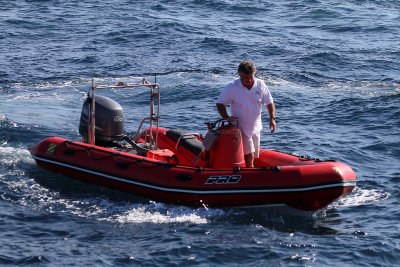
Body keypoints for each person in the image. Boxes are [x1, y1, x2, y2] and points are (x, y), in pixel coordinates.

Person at [216, 60, 276, 168]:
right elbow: (220, 103)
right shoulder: (232, 87)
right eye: (245, 77)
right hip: (241, 129)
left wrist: (272, 118)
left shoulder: (260, 84)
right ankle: (251, 178)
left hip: (256, 128)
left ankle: (247, 171)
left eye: (250, 77)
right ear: (240, 76)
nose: (248, 80)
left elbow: (269, 102)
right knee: (250, 158)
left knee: (254, 156)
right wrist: (226, 117)